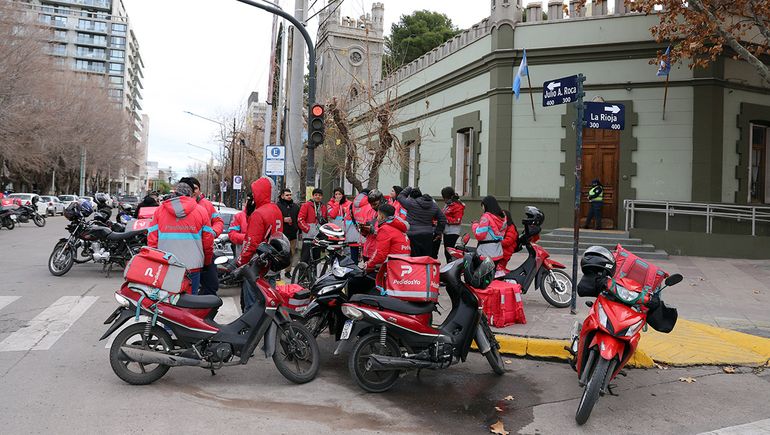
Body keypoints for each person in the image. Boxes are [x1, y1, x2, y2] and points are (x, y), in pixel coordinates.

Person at [146, 182, 214, 295]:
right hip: (192, 266)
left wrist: (155, 262)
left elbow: (152, 240)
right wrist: (207, 262)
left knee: (166, 302)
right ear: (190, 195)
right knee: (190, 303)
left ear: (175, 193)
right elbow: (208, 242)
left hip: (167, 265)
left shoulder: (160, 211)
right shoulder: (201, 211)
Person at [237, 177, 284, 312]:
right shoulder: (276, 210)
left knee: (252, 306)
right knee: (270, 304)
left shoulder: (259, 214)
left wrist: (241, 262)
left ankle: (250, 331)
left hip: (257, 266)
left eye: (254, 192)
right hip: (273, 263)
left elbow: (251, 243)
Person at [180, 177, 224, 296]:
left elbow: (218, 221)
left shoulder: (206, 205)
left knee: (211, 285)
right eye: (191, 188)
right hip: (184, 253)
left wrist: (212, 233)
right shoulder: (177, 206)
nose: (193, 191)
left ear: (199, 189)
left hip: (205, 250)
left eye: (195, 188)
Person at [397, 186, 446, 258]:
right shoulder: (434, 205)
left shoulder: (411, 203)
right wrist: (438, 232)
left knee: (414, 258)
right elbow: (442, 219)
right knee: (425, 258)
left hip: (412, 235)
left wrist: (409, 188)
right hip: (428, 235)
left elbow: (400, 197)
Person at [365, 204, 410, 273]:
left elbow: (380, 254)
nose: (377, 218)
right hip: (403, 266)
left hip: (392, 268)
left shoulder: (384, 229)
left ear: (382, 216)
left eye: (378, 215)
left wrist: (368, 264)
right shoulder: (399, 228)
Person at [471, 195, 507, 262]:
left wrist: (474, 225)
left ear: (486, 205)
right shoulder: (502, 217)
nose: (482, 208)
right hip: (498, 251)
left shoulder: (486, 217)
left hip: (486, 252)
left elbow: (480, 235)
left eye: (482, 206)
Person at [297, 188, 327, 265]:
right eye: (316, 195)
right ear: (313, 196)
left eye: (320, 195)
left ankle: (314, 276)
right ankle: (302, 276)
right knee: (305, 257)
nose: (318, 197)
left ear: (322, 197)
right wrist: (308, 229)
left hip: (318, 237)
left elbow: (325, 221)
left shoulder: (323, 207)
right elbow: (300, 219)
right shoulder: (306, 205)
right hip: (308, 236)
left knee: (316, 258)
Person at [327, 188, 358, 261]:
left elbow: (352, 216)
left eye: (339, 194)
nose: (338, 196)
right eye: (336, 194)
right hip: (335, 232)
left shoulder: (349, 203)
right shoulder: (330, 203)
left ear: (343, 195)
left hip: (347, 231)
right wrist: (336, 203)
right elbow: (332, 215)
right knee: (335, 251)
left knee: (347, 251)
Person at [276, 188, 300, 279]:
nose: (289, 196)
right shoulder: (277, 206)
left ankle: (288, 271)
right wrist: (283, 219)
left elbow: (299, 219)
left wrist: (299, 230)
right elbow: (274, 217)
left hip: (292, 234)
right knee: (279, 254)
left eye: (290, 195)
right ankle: (277, 273)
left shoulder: (295, 207)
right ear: (282, 196)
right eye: (287, 195)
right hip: (281, 234)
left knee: (291, 253)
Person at [440, 186, 466, 263]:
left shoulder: (457, 205)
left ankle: (452, 268)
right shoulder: (448, 205)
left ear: (450, 197)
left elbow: (457, 220)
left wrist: (445, 219)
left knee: (450, 253)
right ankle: (449, 267)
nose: (444, 200)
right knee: (447, 252)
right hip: (447, 231)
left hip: (453, 232)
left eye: (445, 198)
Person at [359, 190, 384, 262]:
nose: (372, 207)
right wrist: (363, 229)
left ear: (380, 200)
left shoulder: (386, 212)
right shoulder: (370, 211)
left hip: (377, 251)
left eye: (375, 204)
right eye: (371, 204)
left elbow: (386, 233)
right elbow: (365, 233)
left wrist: (373, 230)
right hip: (367, 250)